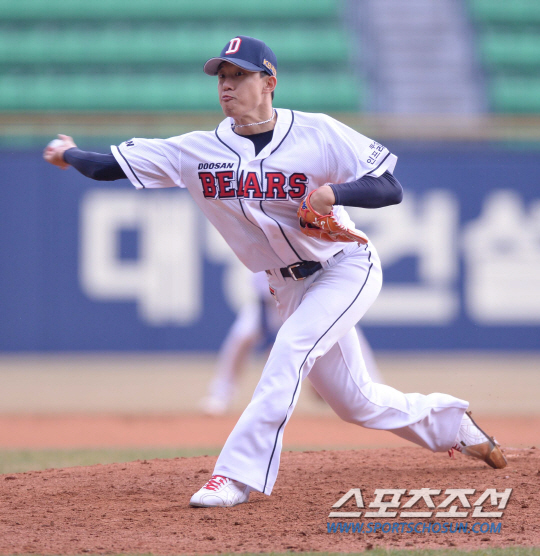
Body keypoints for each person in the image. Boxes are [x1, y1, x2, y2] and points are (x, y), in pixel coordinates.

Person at [44, 35, 507, 509]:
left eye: (239, 75)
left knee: (289, 350)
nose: (226, 85)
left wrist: (332, 194)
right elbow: (109, 166)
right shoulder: (196, 150)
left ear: (269, 82)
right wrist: (68, 154)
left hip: (345, 266)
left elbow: (389, 187)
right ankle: (451, 424)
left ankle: (235, 475)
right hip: (286, 286)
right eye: (222, 76)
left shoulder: (317, 132)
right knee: (357, 402)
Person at [201, 271, 383, 416]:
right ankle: (220, 395)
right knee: (242, 335)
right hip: (271, 305)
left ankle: (375, 391)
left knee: (348, 332)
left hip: (313, 300)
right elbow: (264, 293)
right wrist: (271, 341)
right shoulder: (263, 244)